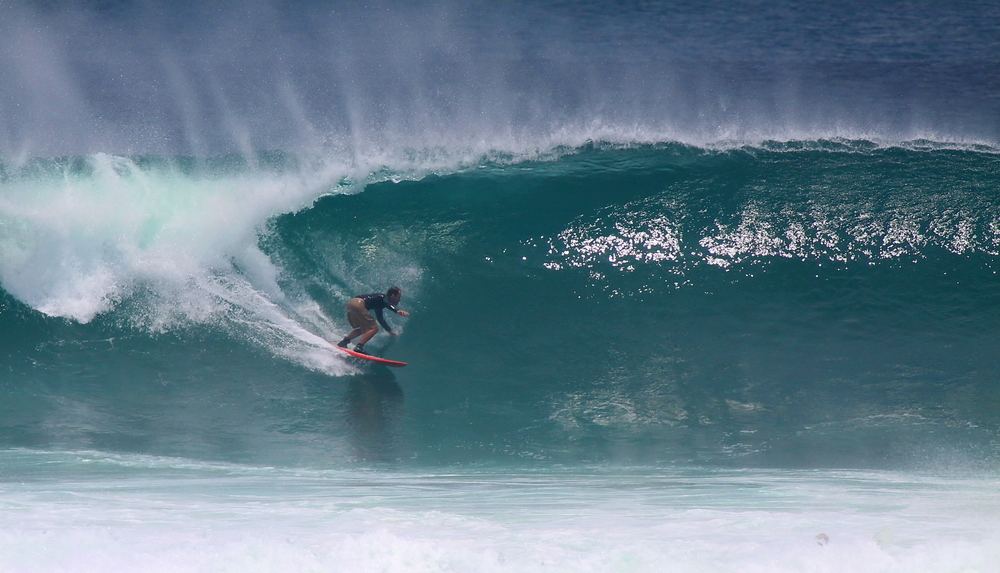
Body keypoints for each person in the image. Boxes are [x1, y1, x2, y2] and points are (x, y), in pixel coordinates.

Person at [336, 286, 410, 355]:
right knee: (374, 328)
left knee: (365, 329)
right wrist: (396, 310)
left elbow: (380, 319)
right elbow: (387, 303)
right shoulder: (384, 297)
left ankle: (344, 342)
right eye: (399, 297)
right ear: (393, 295)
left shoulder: (379, 303)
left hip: (351, 304)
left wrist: (389, 331)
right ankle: (359, 347)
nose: (399, 300)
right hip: (358, 304)